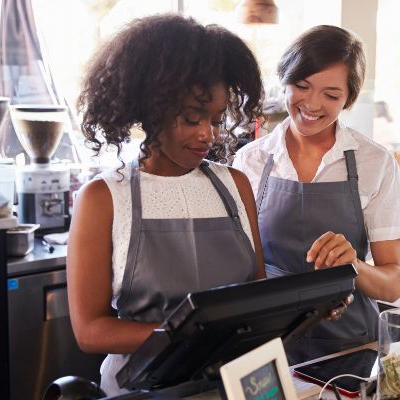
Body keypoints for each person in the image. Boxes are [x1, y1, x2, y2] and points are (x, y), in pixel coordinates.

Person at [67, 15, 267, 396]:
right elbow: (90, 330)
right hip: (142, 389)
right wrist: (186, 337)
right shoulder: (104, 198)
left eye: (216, 118)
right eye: (192, 119)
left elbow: (255, 295)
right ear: (152, 109)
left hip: (229, 386)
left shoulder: (235, 185)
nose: (208, 134)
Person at [233, 25, 400, 364]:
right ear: (284, 80)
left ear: (348, 99)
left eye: (331, 95)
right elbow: (239, 270)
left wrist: (354, 267)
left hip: (351, 347)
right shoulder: (251, 160)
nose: (312, 104)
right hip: (268, 347)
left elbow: (393, 284)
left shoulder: (375, 163)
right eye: (301, 86)